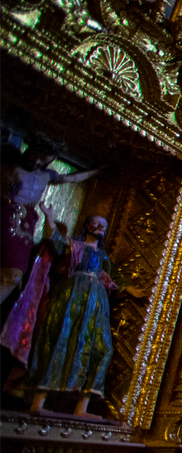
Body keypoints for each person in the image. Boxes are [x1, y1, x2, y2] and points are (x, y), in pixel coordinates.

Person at [26, 215, 117, 418]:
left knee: (101, 349)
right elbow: (54, 240)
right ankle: (38, 401)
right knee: (60, 340)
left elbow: (113, 278)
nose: (101, 226)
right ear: (86, 225)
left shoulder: (103, 256)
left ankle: (81, 407)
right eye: (96, 222)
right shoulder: (73, 246)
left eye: (104, 225)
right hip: (72, 295)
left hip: (96, 302)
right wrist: (49, 216)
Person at [0, 149, 102, 309]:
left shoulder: (47, 176)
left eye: (43, 158)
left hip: (25, 223)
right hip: (6, 214)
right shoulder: (10, 167)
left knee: (14, 276)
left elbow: (73, 178)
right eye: (35, 155)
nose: (37, 161)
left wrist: (95, 172)